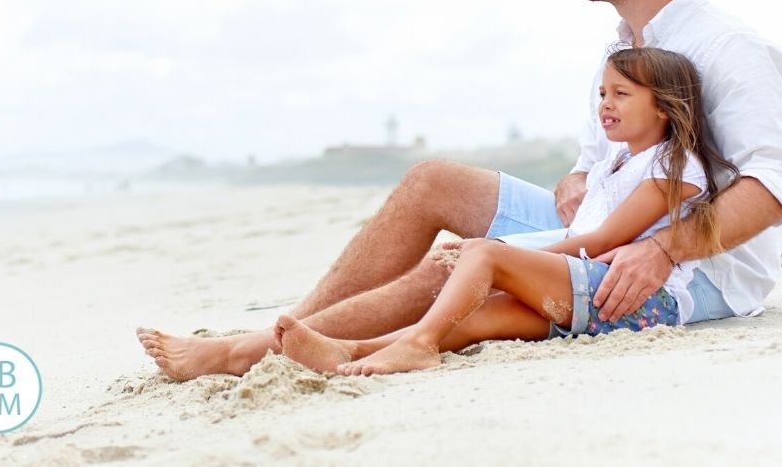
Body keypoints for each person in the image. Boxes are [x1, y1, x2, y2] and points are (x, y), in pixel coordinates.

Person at [137, 0, 782, 381]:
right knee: (434, 181)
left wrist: (663, 252)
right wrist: (577, 175)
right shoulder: (623, 49)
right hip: (612, 221)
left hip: (693, 265)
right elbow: (599, 159)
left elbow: (775, 185)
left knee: (453, 268)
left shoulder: (731, 49)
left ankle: (248, 353)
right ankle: (293, 329)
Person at [273, 47, 739, 375]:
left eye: (621, 94)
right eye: (602, 94)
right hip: (591, 289)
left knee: (484, 255)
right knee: (479, 316)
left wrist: (525, 262)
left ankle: (416, 344)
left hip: (635, 300)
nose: (605, 106)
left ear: (662, 106)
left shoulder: (673, 164)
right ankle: (350, 351)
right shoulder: (613, 164)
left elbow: (605, 240)